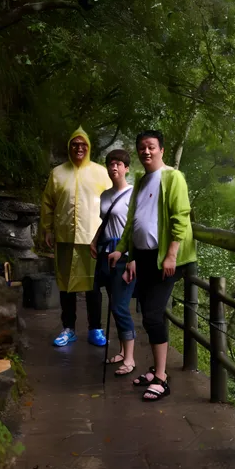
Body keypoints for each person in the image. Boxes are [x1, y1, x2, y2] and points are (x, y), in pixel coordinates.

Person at [109, 130, 196, 402]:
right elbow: (132, 221)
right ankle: (157, 371)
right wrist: (121, 249)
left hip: (165, 259)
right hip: (144, 257)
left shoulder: (172, 177)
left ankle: (161, 379)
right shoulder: (142, 180)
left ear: (161, 150)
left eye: (151, 147)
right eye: (142, 148)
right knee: (148, 312)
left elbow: (180, 217)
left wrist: (171, 255)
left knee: (153, 315)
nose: (146, 152)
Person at [41, 126, 111, 347]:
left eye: (83, 145)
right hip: (65, 237)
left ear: (88, 148)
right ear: (69, 147)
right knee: (65, 285)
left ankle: (95, 329)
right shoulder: (58, 173)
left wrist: (110, 233)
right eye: (75, 144)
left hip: (92, 237)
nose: (79, 148)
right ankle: (68, 328)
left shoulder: (101, 172)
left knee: (93, 285)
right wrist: (48, 229)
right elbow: (47, 204)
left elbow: (112, 203)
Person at [90, 149, 136, 376]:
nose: (113, 168)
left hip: (125, 256)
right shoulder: (105, 195)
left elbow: (136, 229)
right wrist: (94, 240)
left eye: (118, 164)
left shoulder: (133, 195)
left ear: (127, 168)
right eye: (110, 164)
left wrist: (133, 259)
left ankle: (130, 358)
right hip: (106, 253)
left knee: (119, 306)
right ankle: (120, 351)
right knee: (113, 304)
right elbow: (105, 221)